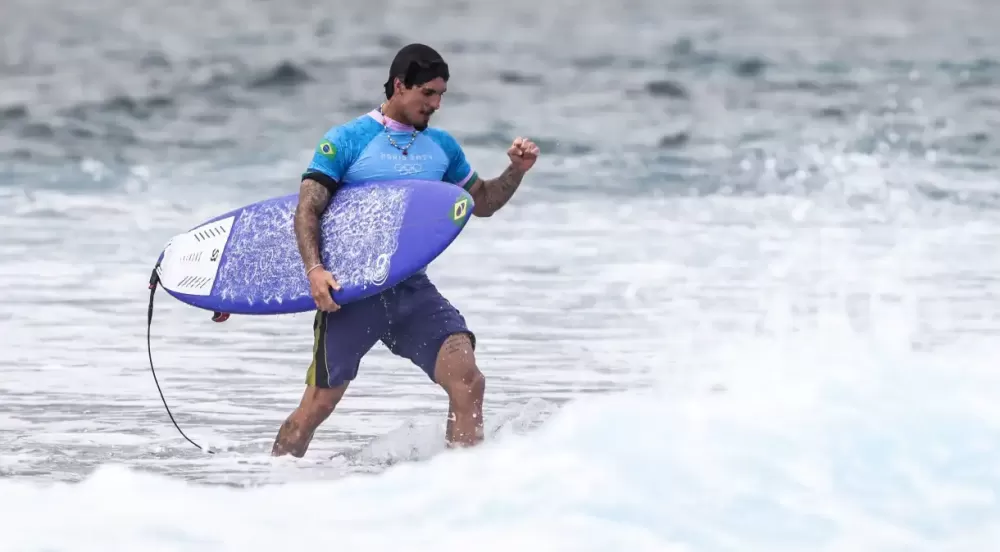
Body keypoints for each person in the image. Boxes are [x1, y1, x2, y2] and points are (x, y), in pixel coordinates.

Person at [271, 43, 540, 458]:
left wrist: (515, 172)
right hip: (352, 293)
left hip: (411, 289)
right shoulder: (347, 140)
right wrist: (314, 270)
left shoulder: (441, 148)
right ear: (399, 85)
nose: (435, 104)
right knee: (318, 406)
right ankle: (270, 483)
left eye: (441, 95)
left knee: (468, 380)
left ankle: (466, 486)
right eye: (427, 94)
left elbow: (481, 202)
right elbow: (308, 208)